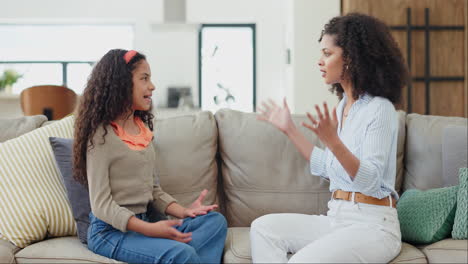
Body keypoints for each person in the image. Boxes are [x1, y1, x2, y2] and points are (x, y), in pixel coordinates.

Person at [251, 13, 409, 263]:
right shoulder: (342, 107)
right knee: (263, 228)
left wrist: (334, 141)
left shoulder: (380, 109)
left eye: (327, 53)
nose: (320, 61)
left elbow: (371, 181)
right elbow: (328, 167)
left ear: (350, 58)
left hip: (373, 227)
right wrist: (289, 129)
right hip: (337, 219)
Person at [73, 49, 227, 264]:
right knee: (182, 254)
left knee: (215, 222)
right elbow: (101, 205)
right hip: (110, 233)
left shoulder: (142, 128)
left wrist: (183, 211)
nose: (152, 86)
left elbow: (153, 190)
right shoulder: (101, 135)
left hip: (147, 223)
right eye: (144, 79)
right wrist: (150, 230)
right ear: (122, 84)